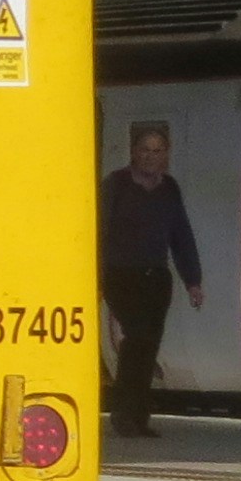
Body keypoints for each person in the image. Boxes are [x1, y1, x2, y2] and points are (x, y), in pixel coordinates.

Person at [99, 120, 206, 440]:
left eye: (157, 151)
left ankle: (137, 416)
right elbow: (99, 230)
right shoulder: (116, 185)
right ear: (133, 152)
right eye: (145, 150)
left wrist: (193, 281)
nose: (150, 156)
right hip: (121, 274)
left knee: (147, 346)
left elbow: (181, 235)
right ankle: (124, 412)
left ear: (166, 156)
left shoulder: (169, 188)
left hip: (156, 278)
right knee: (136, 340)